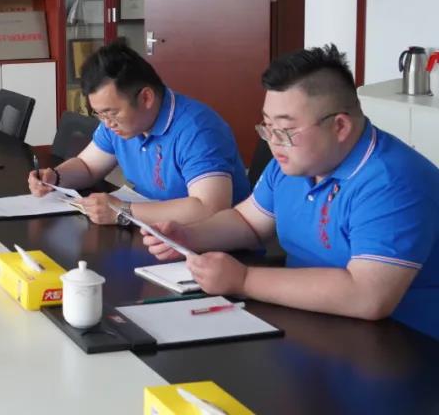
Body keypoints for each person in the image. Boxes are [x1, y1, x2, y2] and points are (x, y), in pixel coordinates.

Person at [144, 45, 439, 340]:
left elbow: (367, 296)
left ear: (340, 126)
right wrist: (189, 236)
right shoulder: (296, 163)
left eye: (285, 130)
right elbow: (248, 222)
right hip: (309, 321)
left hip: (401, 343)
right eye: (267, 126)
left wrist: (244, 279)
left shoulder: (393, 182)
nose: (273, 142)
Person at [29, 40, 249, 225]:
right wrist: (56, 177)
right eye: (100, 114)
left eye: (111, 113)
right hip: (156, 232)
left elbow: (210, 208)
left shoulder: (198, 130)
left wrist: (123, 211)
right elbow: (87, 166)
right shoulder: (118, 125)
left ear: (146, 98)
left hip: (213, 249)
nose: (107, 123)